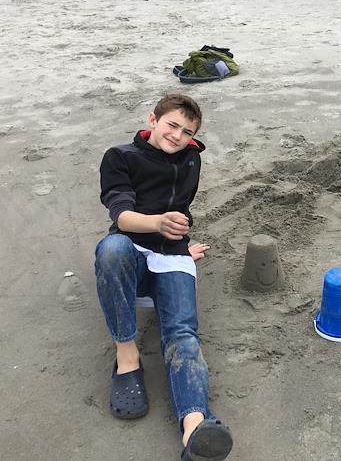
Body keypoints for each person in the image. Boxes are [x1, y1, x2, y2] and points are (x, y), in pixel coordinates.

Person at [95, 94, 233, 461]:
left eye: (188, 132)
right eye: (172, 125)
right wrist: (157, 223)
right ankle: (127, 358)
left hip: (171, 256)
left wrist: (180, 245)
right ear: (152, 119)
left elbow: (180, 209)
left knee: (182, 333)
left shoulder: (192, 158)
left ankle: (195, 430)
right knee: (111, 248)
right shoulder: (120, 157)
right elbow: (121, 216)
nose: (178, 136)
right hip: (131, 255)